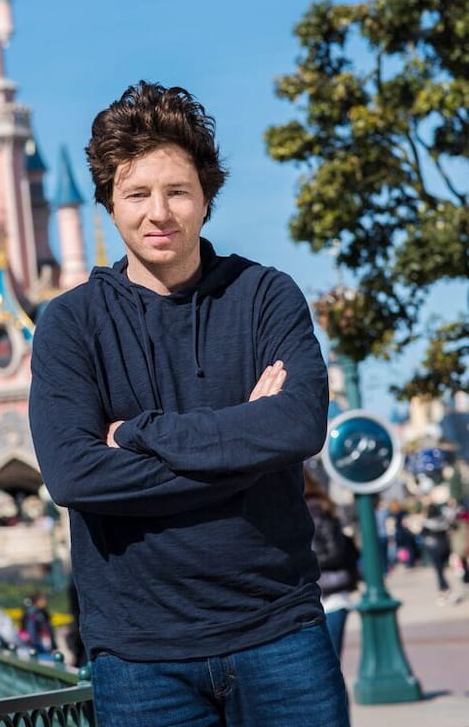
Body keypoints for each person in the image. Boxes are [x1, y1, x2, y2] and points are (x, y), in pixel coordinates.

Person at [30, 81, 350, 726]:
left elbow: (297, 426)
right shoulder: (70, 325)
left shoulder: (265, 296)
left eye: (177, 191)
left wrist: (138, 434)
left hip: (279, 633)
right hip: (142, 659)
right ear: (109, 206)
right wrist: (244, 447)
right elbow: (75, 475)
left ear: (206, 198)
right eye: (137, 194)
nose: (159, 213)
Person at [304, 469, 359, 657]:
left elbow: (335, 552)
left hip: (331, 595)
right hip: (317, 596)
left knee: (330, 660)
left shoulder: (315, 510)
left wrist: (304, 564)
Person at [421, 502, 457, 604]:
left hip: (435, 549)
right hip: (445, 547)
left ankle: (444, 591)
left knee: (439, 571)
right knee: (441, 571)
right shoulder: (443, 521)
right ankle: (445, 590)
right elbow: (454, 527)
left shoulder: (427, 523)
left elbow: (423, 535)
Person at [20, 590, 58, 657]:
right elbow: (32, 632)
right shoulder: (33, 614)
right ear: (37, 601)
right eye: (43, 600)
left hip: (44, 646)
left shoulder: (42, 613)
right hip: (39, 647)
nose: (45, 602)